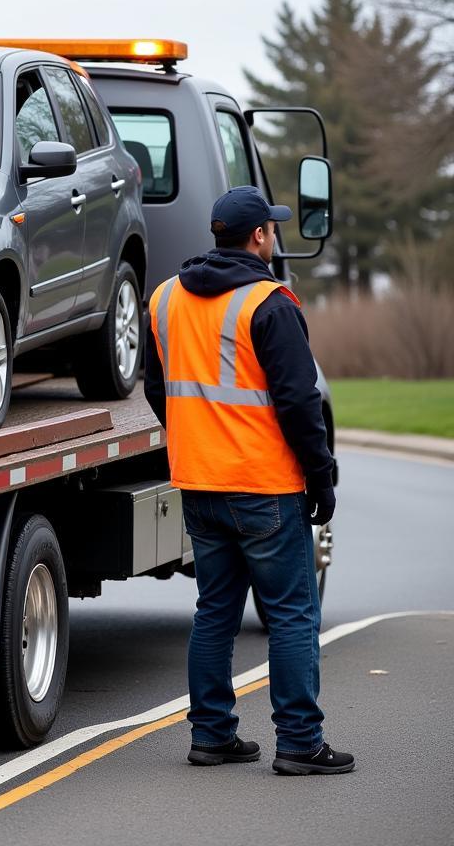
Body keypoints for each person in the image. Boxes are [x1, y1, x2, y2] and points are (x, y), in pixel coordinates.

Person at [144, 185, 354, 776]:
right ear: (259, 235)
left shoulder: (164, 300)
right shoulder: (271, 303)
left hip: (200, 484)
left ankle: (211, 735)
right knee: (291, 613)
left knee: (215, 609)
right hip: (264, 485)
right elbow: (299, 402)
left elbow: (160, 392)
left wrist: (199, 439)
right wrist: (323, 478)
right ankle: (300, 743)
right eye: (272, 228)